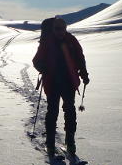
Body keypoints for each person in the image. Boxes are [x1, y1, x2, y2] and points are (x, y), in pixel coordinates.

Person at [32, 17, 89, 155]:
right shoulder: (47, 42)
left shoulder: (71, 41)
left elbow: (80, 58)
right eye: (57, 28)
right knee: (53, 112)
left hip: (68, 82)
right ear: (53, 29)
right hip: (52, 82)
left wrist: (84, 74)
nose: (60, 31)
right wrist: (43, 67)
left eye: (62, 28)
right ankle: (50, 144)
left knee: (70, 111)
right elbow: (36, 61)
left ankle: (70, 143)